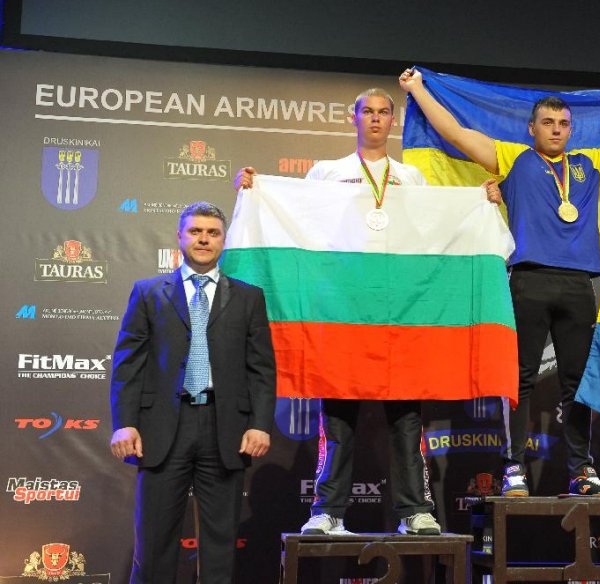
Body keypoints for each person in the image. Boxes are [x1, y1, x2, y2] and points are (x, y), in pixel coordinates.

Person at [399, 68, 600, 497]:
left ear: (572, 128)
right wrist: (417, 89)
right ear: (531, 128)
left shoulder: (592, 164)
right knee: (521, 379)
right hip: (528, 280)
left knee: (577, 382)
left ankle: (582, 472)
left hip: (577, 287)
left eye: (563, 124)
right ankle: (513, 468)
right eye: (548, 123)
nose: (556, 130)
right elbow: (457, 134)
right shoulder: (513, 158)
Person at [235, 88, 481, 535]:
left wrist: (481, 204)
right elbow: (299, 228)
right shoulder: (327, 173)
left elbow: (435, 235)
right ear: (353, 117)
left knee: (407, 420)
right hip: (343, 313)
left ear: (393, 121)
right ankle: (328, 512)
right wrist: (257, 190)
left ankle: (414, 512)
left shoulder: (411, 179)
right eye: (367, 111)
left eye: (384, 112)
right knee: (338, 418)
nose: (375, 119)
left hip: (401, 316)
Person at [110, 202, 276, 583]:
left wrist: (260, 424)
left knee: (220, 545)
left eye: (213, 233)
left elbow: (261, 369)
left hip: (226, 430)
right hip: (162, 429)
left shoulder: (249, 297)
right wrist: (125, 424)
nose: (204, 239)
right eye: (196, 231)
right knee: (153, 543)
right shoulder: (148, 292)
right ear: (180, 238)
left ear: (223, 240)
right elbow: (127, 365)